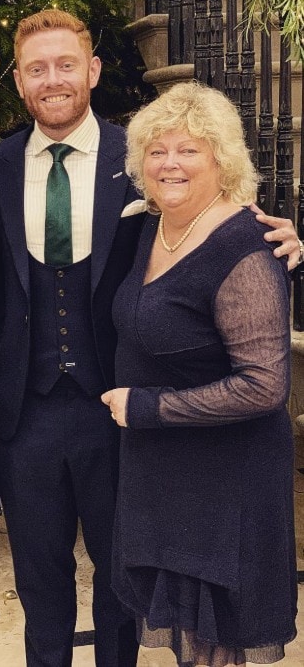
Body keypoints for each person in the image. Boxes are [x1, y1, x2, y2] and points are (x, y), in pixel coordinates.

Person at [0, 10, 300, 667]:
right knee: (40, 585)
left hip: (118, 410)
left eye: (66, 64)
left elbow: (217, 217)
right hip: (24, 415)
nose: (53, 80)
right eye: (37, 69)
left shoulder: (142, 156)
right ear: (19, 82)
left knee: (125, 583)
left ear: (92, 70)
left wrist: (287, 238)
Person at [102, 81, 297, 667]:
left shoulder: (248, 248)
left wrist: (146, 409)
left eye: (189, 150)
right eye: (158, 150)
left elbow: (265, 385)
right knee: (189, 638)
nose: (170, 163)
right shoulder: (148, 227)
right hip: (166, 475)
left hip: (227, 478)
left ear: (222, 159)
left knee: (217, 641)